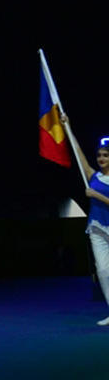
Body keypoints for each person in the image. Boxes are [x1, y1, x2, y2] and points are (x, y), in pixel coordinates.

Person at [65, 116, 109, 325]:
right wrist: (68, 127)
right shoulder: (92, 175)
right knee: (102, 270)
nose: (101, 158)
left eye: (105, 155)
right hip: (97, 227)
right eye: (99, 155)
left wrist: (97, 196)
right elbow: (78, 152)